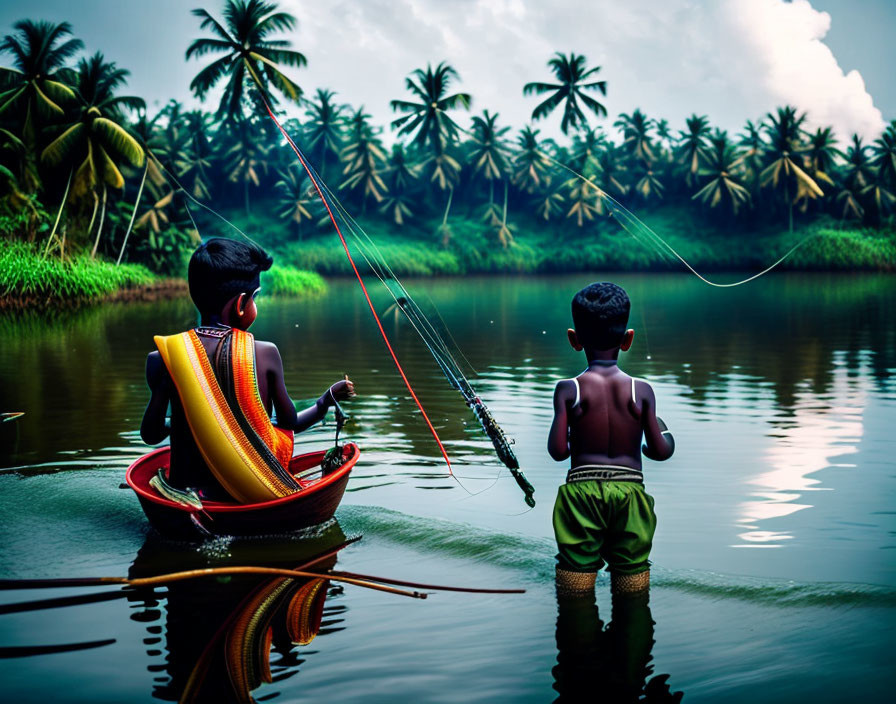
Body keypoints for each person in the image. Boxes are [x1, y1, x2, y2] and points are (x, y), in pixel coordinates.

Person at [140, 238, 354, 502]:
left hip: (184, 495)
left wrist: (187, 421)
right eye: (256, 298)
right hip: (249, 498)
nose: (255, 305)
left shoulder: (162, 357)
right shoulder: (265, 355)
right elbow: (290, 423)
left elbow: (150, 434)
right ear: (241, 304)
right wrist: (325, 401)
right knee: (276, 432)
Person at [548, 282, 674, 596]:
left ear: (573, 339)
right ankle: (632, 637)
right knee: (632, 578)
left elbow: (558, 451)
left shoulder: (568, 389)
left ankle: (578, 634)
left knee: (574, 577)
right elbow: (660, 451)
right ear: (628, 339)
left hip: (581, 494)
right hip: (630, 494)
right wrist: (665, 433)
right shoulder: (641, 390)